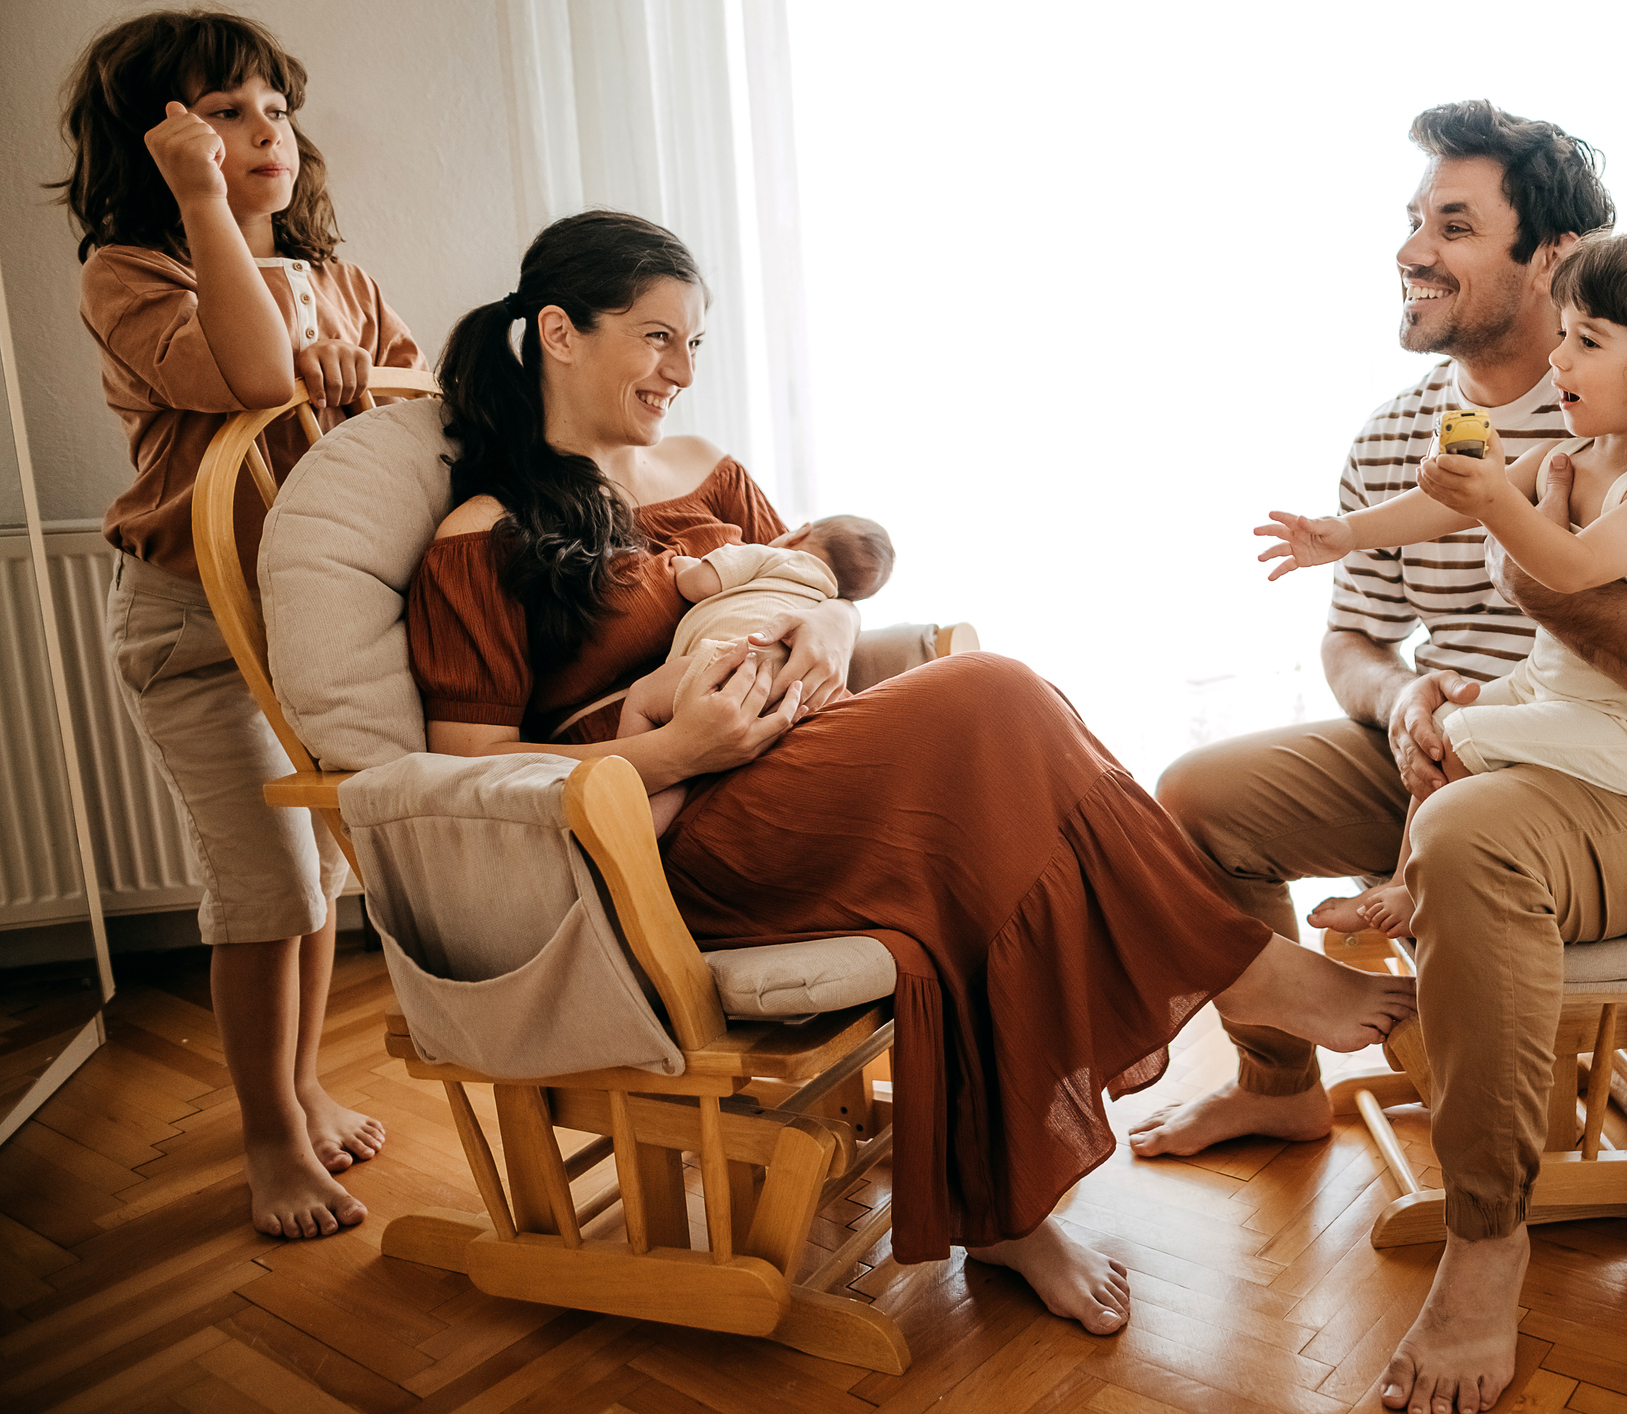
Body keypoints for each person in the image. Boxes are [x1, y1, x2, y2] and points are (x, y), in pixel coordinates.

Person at [404, 209, 1418, 1336]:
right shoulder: (485, 534)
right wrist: (676, 748)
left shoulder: (708, 474)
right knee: (993, 699)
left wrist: (829, 638)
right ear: (556, 331)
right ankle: (1233, 976)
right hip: (672, 836)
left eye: (693, 343)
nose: (680, 372)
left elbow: (814, 596)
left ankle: (1010, 1206)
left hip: (799, 766)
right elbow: (469, 780)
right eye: (655, 338)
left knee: (986, 768)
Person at [1132, 101, 1627, 1413]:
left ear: (1551, 256)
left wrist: (1545, 587)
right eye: (1411, 220)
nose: (1413, 249)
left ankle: (1486, 1242)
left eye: (1455, 225)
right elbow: (1357, 642)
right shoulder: (1404, 428)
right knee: (1197, 795)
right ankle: (1278, 1086)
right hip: (1474, 739)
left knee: (1464, 834)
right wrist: (1399, 702)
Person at [57, 10, 420, 1241]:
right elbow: (257, 376)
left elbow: (415, 412)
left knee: (316, 879)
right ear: (157, 146)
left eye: (273, 107)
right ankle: (267, 1134)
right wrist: (209, 210)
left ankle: (304, 1081)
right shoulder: (133, 272)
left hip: (309, 625)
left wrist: (359, 373)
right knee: (261, 882)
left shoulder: (345, 281)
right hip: (192, 624)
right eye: (222, 114)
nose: (262, 130)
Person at [1256, 231, 1627, 939]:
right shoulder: (1573, 453)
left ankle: (1412, 893)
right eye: (1563, 332)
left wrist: (1497, 500)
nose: (1557, 355)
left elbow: (1570, 572)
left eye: (1587, 342)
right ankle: (1406, 882)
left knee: (1463, 733)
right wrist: (1347, 533)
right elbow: (1453, 505)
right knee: (1443, 730)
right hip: (1553, 688)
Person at [613, 514, 894, 831]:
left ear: (798, 534)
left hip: (728, 662)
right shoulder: (823, 601)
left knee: (646, 702)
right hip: (788, 694)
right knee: (693, 764)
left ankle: (629, 809)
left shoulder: (770, 555)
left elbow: (697, 584)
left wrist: (682, 563)